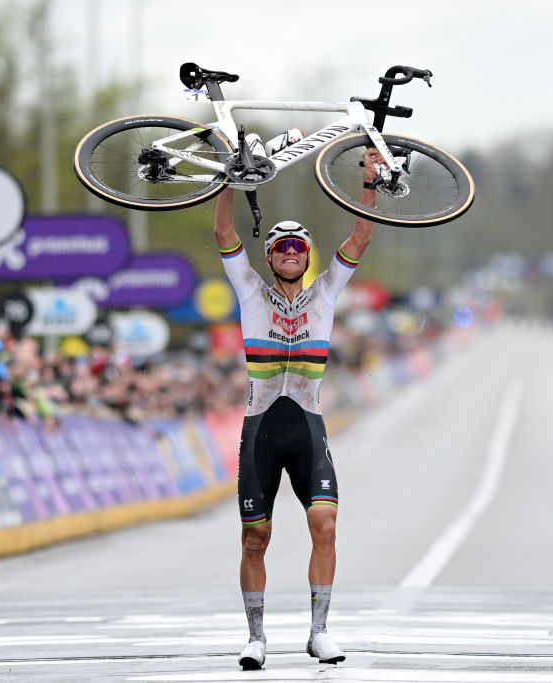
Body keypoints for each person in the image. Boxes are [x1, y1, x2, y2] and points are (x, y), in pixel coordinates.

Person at [214, 149, 380, 670]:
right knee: (255, 538)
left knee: (325, 525)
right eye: (280, 246)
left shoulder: (327, 291)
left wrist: (369, 179)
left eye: (297, 246)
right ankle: (256, 638)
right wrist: (226, 180)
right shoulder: (249, 290)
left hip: (306, 423)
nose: (288, 252)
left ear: (307, 256)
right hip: (261, 427)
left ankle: (319, 632)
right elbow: (223, 233)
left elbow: (360, 239)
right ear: (270, 256)